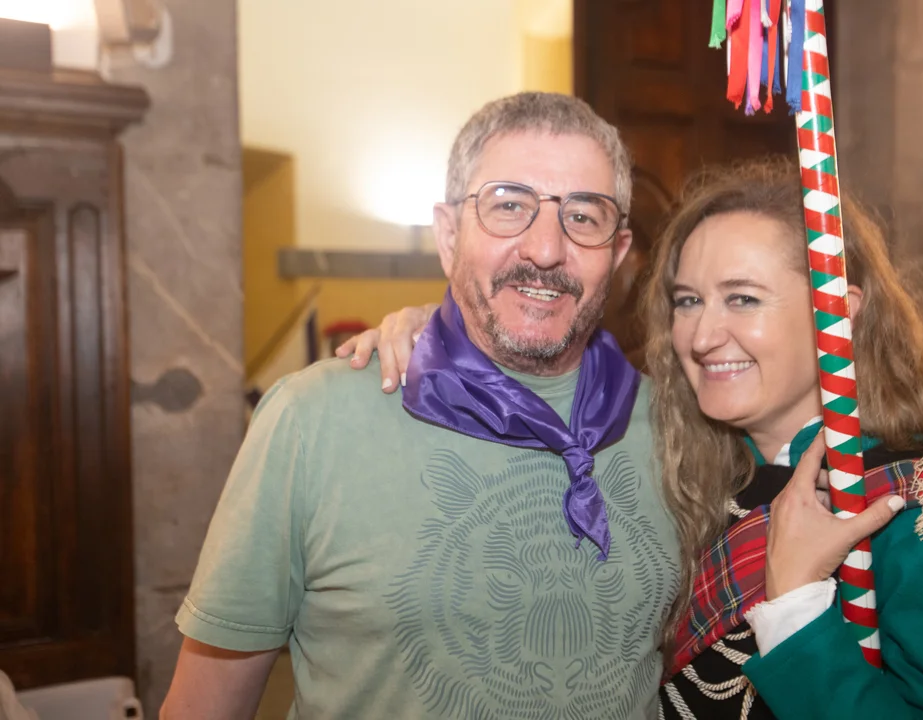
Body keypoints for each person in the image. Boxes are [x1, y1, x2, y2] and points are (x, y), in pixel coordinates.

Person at [340, 157, 923, 719]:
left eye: (743, 298)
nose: (702, 336)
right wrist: (437, 337)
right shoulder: (681, 463)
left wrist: (796, 606)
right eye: (687, 301)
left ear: (838, 315)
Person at [160, 92, 684, 719]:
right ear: (448, 234)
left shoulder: (678, 432)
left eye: (583, 216)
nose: (546, 249)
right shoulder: (312, 421)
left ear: (618, 253)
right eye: (508, 205)